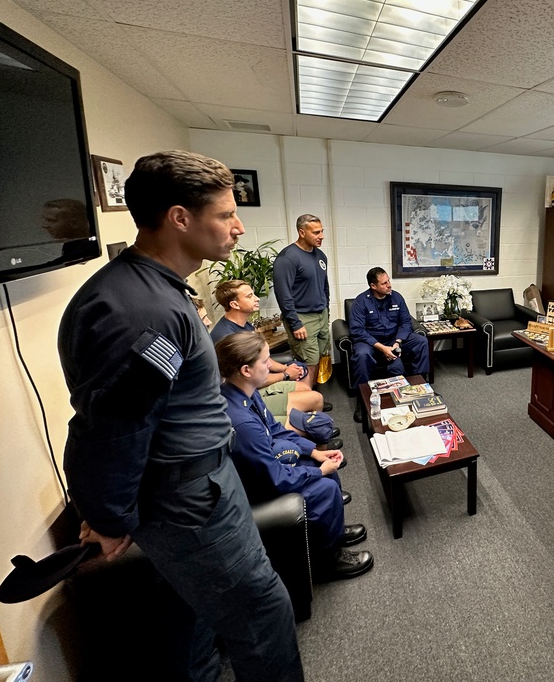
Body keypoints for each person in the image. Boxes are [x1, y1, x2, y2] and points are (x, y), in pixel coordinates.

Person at [58, 150, 304, 682]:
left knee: (194, 614)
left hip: (198, 483)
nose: (239, 227)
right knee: (263, 611)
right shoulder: (144, 311)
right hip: (189, 500)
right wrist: (107, 516)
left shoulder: (155, 290)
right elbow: (113, 428)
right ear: (180, 218)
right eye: (225, 214)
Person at [215, 332, 374, 580]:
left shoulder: (248, 393)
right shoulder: (241, 422)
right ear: (246, 370)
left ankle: (332, 530)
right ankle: (327, 559)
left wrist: (314, 452)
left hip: (268, 464)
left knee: (322, 464)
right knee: (324, 487)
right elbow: (273, 479)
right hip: (258, 488)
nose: (270, 366)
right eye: (265, 361)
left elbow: (277, 430)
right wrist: (318, 471)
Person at [210, 279, 334, 417]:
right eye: (249, 296)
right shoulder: (227, 337)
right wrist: (286, 375)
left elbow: (263, 359)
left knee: (303, 380)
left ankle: (306, 420)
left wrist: (285, 368)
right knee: (315, 398)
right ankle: (303, 422)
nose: (257, 299)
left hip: (254, 384)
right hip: (247, 395)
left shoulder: (246, 326)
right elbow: (249, 378)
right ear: (234, 304)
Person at [349, 267, 429, 422]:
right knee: (361, 355)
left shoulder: (396, 297)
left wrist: (397, 342)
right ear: (373, 286)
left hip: (394, 339)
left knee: (421, 342)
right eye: (384, 283)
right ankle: (363, 399)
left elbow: (406, 322)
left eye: (389, 281)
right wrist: (381, 347)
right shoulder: (361, 301)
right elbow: (357, 330)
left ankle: (421, 387)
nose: (389, 285)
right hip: (370, 341)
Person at [273, 214, 332, 384]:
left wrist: (326, 309)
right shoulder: (288, 258)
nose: (321, 236)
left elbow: (324, 285)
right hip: (302, 317)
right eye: (315, 232)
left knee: (318, 357)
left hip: (321, 314)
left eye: (321, 231)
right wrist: (295, 323)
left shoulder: (320, 255)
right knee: (309, 362)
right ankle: (306, 405)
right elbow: (283, 293)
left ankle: (311, 397)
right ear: (302, 232)